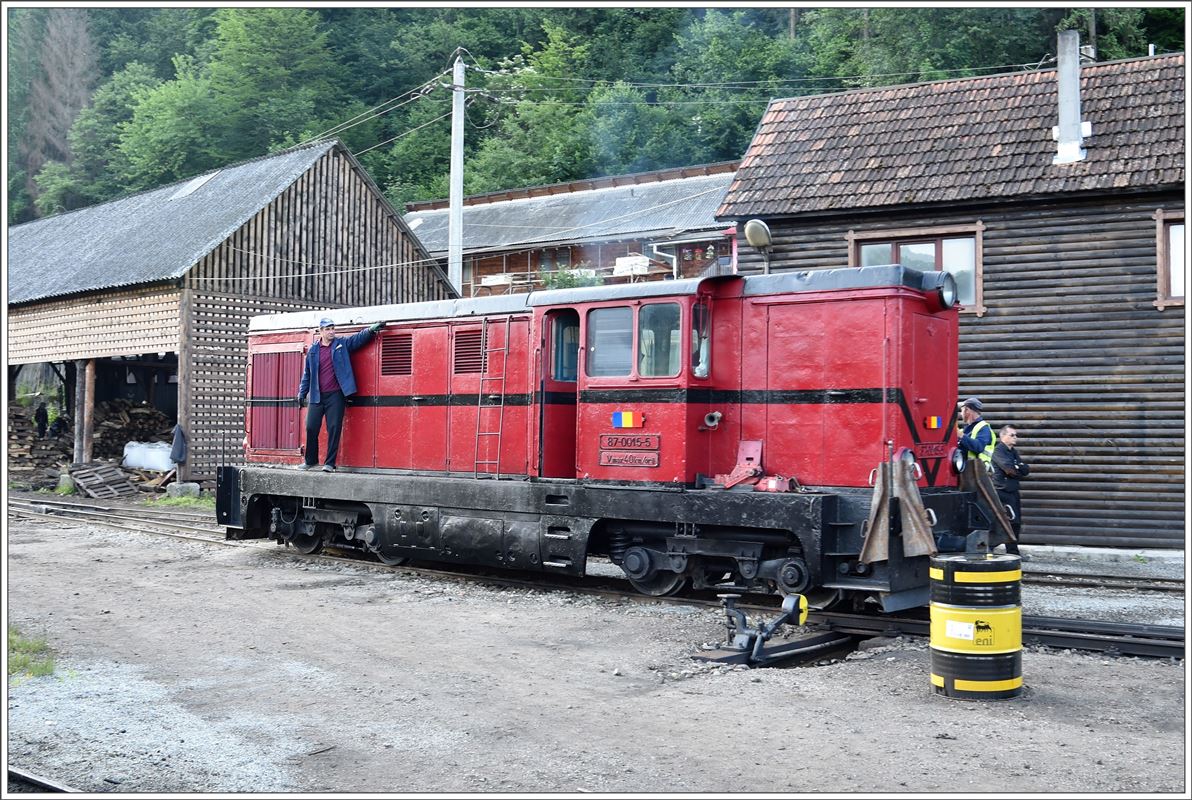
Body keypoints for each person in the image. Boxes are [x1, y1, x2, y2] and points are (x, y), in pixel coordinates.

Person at [297, 317, 383, 471]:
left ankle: (329, 463)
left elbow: (357, 339)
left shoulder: (341, 344)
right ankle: (310, 461)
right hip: (316, 396)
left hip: (336, 395)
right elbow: (307, 374)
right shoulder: (313, 350)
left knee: (334, 428)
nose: (331, 332)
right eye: (328, 329)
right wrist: (302, 392)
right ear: (321, 331)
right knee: (311, 427)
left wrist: (370, 330)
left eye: (332, 328)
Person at [992, 425, 1031, 558]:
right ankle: (989, 548)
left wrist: (1018, 467)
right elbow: (1010, 470)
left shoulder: (1013, 451)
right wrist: (1017, 468)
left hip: (1013, 491)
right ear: (1003, 436)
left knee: (1016, 522)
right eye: (1012, 435)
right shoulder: (999, 451)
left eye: (1016, 435)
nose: (1015, 438)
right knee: (1006, 522)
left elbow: (1025, 470)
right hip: (1002, 491)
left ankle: (1013, 552)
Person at [956, 396, 994, 468]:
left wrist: (961, 436)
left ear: (967, 410)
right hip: (966, 469)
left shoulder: (983, 428)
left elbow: (979, 447)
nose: (961, 414)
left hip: (977, 471)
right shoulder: (966, 429)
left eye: (962, 410)